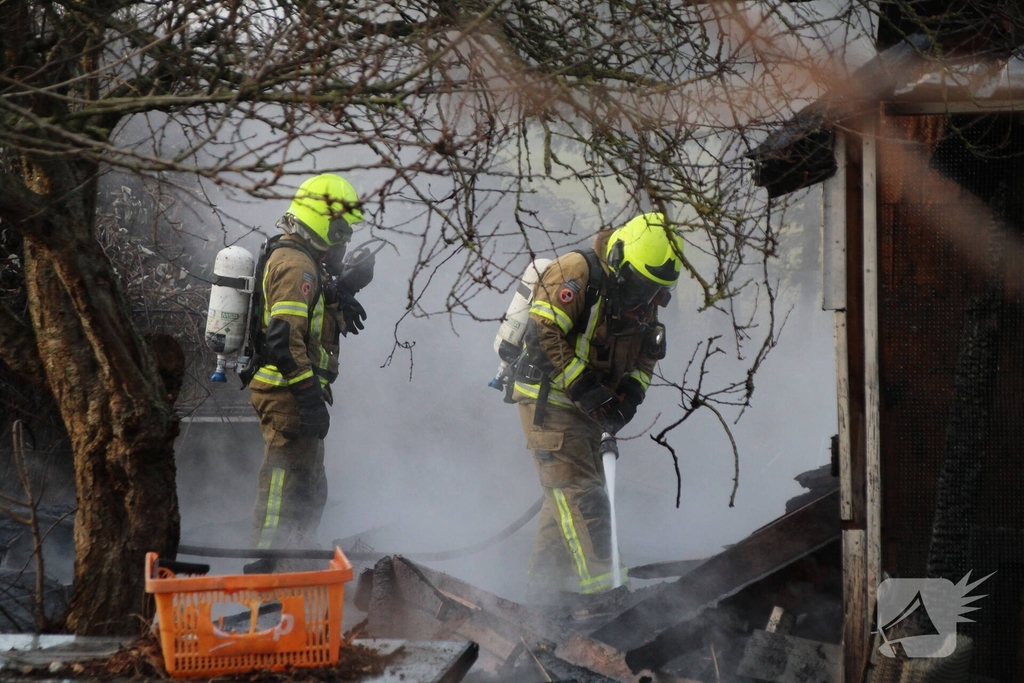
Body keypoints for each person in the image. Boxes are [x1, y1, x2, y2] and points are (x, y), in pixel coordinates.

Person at [512, 212, 682, 597]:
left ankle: (543, 598)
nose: (648, 299)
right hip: (550, 400)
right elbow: (544, 335)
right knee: (584, 498)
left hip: (591, 407)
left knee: (566, 503)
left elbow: (646, 355)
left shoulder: (643, 292)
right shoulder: (576, 271)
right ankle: (608, 599)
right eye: (643, 286)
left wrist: (630, 398)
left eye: (656, 291)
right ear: (621, 258)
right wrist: (587, 388)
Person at [243, 173, 374, 573]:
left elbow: (310, 305)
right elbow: (284, 340)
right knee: (281, 489)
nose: (344, 241)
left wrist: (340, 295)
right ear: (324, 223)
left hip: (294, 393)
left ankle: (293, 568)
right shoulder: (295, 263)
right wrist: (309, 399)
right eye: (342, 231)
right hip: (288, 393)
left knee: (309, 490)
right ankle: (263, 572)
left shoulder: (299, 260)